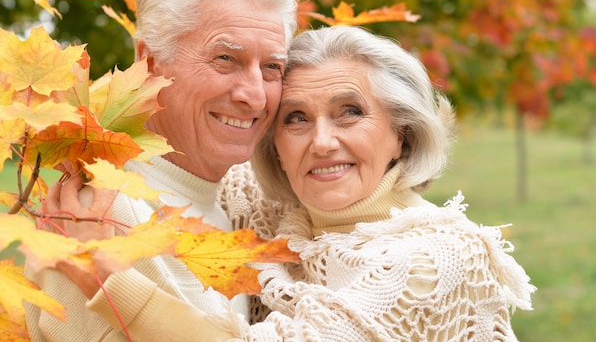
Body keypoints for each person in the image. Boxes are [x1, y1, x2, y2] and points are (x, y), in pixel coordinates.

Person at [53, 25, 535, 341]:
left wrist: (109, 281)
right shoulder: (273, 211)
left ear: (402, 133)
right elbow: (180, 148)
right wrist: (74, 147)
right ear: (275, 146)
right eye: (296, 119)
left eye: (351, 112)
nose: (322, 142)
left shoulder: (435, 259)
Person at [25, 0, 298, 341]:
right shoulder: (99, 217)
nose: (255, 96)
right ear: (150, 63)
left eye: (272, 67)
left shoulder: (238, 207)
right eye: (225, 59)